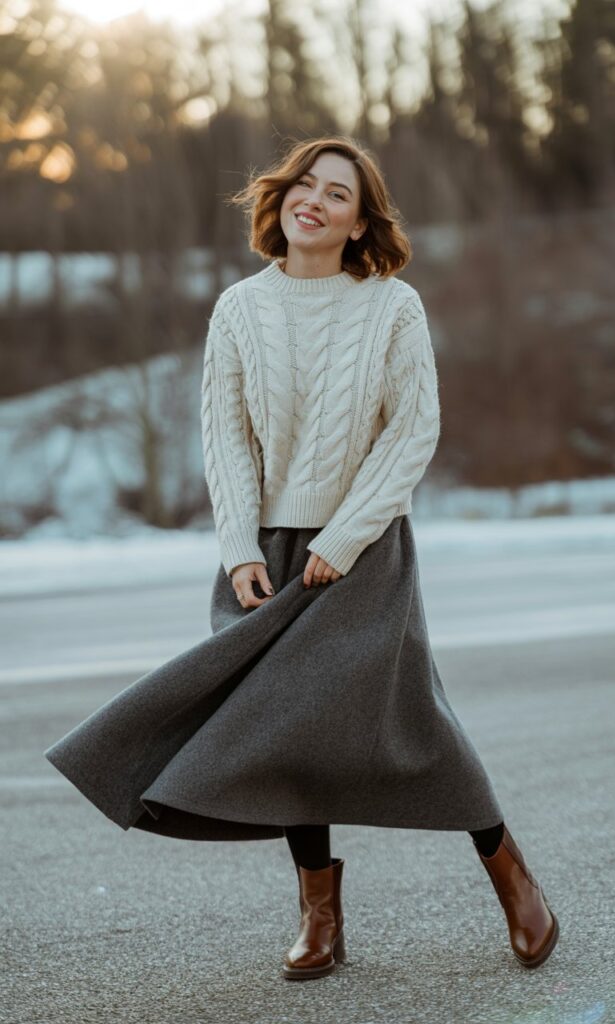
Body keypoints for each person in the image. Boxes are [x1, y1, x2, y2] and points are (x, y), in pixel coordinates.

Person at [43, 135, 559, 982]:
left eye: (339, 195)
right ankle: (320, 913)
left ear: (360, 226)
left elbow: (413, 431)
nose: (314, 201)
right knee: (286, 731)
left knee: (414, 725)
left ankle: (511, 876)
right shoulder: (240, 309)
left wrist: (345, 537)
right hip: (271, 554)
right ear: (284, 198)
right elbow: (228, 441)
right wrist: (239, 546)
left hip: (364, 547)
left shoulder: (393, 307)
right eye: (306, 185)